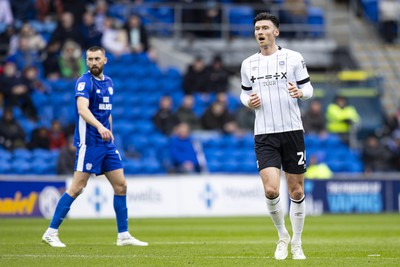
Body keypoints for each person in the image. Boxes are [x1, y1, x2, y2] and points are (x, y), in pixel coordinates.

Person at [42, 46, 148, 247]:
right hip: (89, 143)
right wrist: (100, 127)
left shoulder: (108, 82)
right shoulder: (84, 82)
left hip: (106, 143)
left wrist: (110, 129)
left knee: (121, 185)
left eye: (97, 59)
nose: (93, 63)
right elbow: (82, 109)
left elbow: (107, 111)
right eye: (89, 59)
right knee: (77, 187)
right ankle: (51, 232)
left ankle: (123, 235)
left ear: (105, 60)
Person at [239, 13, 314, 260]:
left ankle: (298, 242)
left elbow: (309, 88)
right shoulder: (248, 64)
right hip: (264, 133)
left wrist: (299, 93)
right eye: (257, 28)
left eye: (265, 28)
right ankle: (282, 236)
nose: (260, 32)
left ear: (276, 32)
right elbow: (243, 94)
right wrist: (249, 101)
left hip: (292, 131)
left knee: (296, 191)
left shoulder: (293, 58)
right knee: (271, 190)